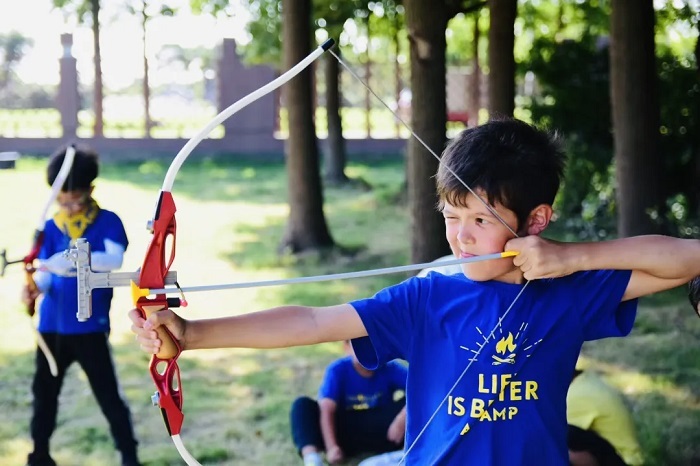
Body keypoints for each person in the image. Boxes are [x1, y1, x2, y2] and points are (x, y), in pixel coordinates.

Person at [129, 118, 700, 465]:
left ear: (535, 220)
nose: (461, 236)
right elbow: (312, 322)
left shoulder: (566, 292)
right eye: (451, 216)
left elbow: (688, 258)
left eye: (480, 220)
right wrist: (193, 335)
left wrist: (572, 257)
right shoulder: (428, 297)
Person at [22, 145, 140, 466]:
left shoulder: (107, 222)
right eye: (60, 200)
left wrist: (74, 259)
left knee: (108, 395)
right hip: (50, 327)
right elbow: (45, 273)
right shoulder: (51, 227)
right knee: (44, 394)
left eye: (74, 199)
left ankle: (129, 455)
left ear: (90, 190)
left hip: (89, 327)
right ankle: (40, 453)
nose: (67, 206)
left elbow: (113, 259)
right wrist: (35, 286)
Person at [290, 340, 407, 465]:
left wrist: (402, 418)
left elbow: (420, 389)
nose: (368, 351)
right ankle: (313, 460)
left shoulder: (390, 368)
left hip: (385, 433)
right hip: (344, 434)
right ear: (347, 347)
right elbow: (326, 409)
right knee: (302, 405)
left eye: (373, 343)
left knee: (413, 403)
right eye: (359, 344)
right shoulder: (338, 370)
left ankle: (409, 450)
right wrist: (332, 447)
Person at [567, 368, 643, 466]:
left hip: (623, 462)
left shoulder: (574, 397)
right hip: (624, 457)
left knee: (555, 437)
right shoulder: (586, 382)